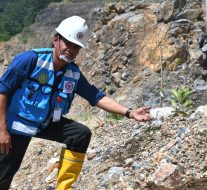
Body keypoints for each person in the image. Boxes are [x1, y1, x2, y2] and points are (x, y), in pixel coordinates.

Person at [0, 16, 151, 190]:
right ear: (56, 40)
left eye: (76, 47)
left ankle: (63, 187)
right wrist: (2, 129)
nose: (71, 50)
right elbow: (2, 91)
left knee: (80, 134)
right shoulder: (31, 60)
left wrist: (129, 112)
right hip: (15, 125)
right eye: (68, 44)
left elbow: (96, 97)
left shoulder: (73, 73)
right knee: (4, 175)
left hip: (46, 122)